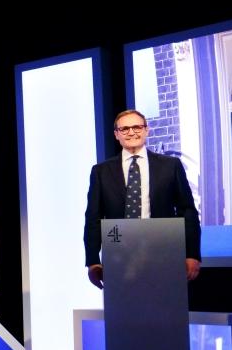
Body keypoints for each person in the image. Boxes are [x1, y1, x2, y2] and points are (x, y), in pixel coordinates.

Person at [83, 109, 201, 289]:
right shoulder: (100, 171)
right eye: (124, 129)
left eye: (137, 127)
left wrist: (192, 254)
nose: (131, 132)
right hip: (119, 256)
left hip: (165, 252)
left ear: (147, 130)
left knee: (165, 304)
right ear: (116, 135)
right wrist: (92, 261)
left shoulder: (171, 166)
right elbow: (93, 218)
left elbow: (188, 211)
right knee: (124, 306)